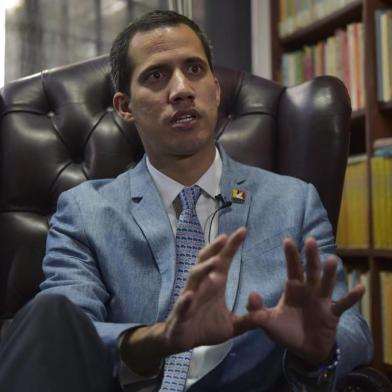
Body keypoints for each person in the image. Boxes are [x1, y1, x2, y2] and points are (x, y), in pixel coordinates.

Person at [0, 10, 372, 392]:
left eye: (194, 69)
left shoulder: (293, 201)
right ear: (125, 106)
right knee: (47, 313)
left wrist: (317, 351)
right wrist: (160, 338)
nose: (180, 89)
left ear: (215, 89)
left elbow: (346, 323)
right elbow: (67, 333)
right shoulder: (85, 210)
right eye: (156, 76)